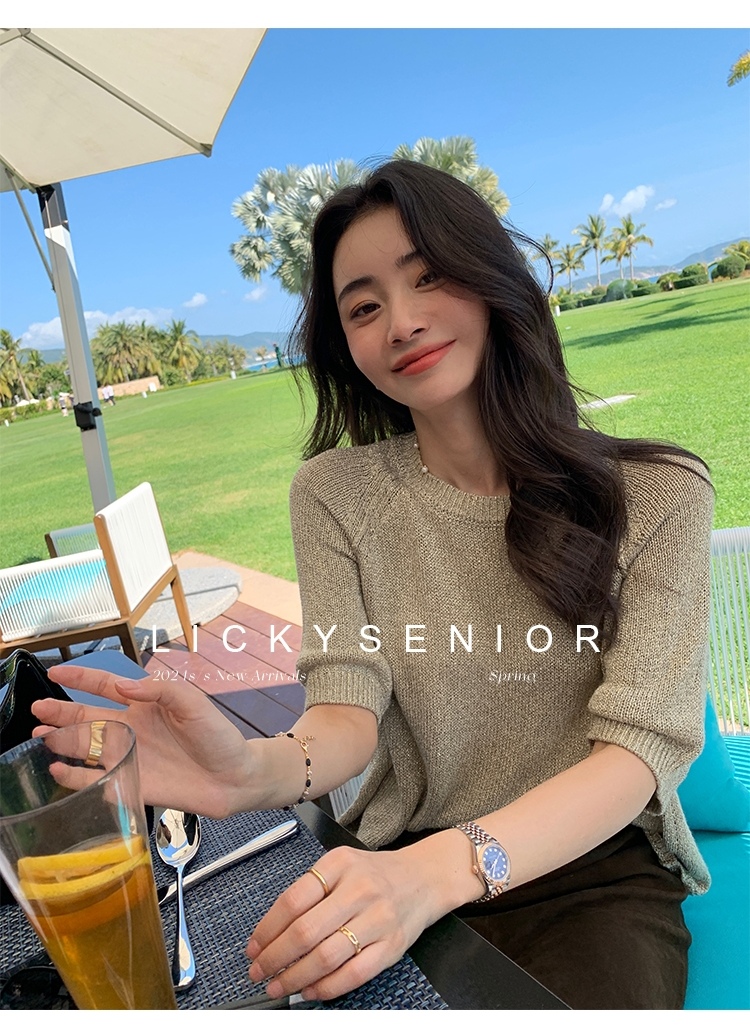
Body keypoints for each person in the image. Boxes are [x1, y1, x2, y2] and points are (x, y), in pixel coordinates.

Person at [34, 160, 713, 1010]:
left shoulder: (658, 495)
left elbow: (637, 756)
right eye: (363, 307)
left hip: (588, 872)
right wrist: (250, 771)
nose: (401, 321)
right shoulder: (334, 495)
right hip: (396, 857)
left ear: (493, 280)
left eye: (429, 276)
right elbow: (346, 710)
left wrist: (438, 874)